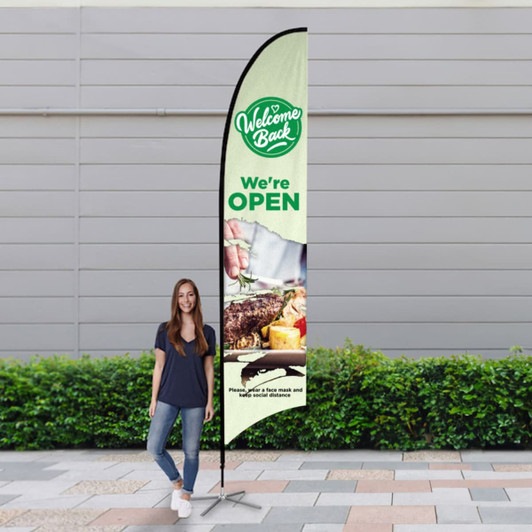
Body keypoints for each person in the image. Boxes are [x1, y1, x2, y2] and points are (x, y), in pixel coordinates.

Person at [147, 279, 215, 518]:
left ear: (196, 298)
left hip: (196, 400)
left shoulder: (207, 332)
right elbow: (158, 366)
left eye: (190, 295)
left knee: (192, 452)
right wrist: (154, 398)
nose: (186, 300)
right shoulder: (164, 330)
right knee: (154, 447)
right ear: (175, 300)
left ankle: (186, 494)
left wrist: (209, 401)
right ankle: (177, 482)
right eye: (181, 296)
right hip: (167, 396)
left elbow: (208, 369)